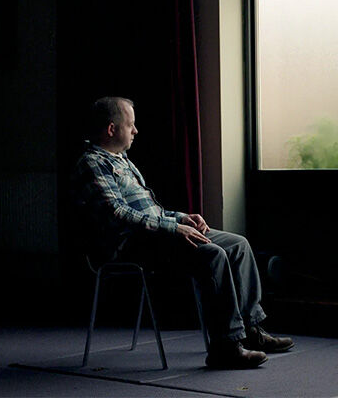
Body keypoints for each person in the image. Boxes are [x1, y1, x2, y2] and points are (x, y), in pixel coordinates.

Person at [71, 96, 293, 369]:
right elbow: (117, 212)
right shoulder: (92, 163)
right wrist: (173, 228)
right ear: (111, 129)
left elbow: (152, 211)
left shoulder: (122, 161)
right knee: (212, 255)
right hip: (129, 245)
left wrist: (181, 218)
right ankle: (226, 346)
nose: (136, 131)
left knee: (238, 245)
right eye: (131, 125)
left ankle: (252, 331)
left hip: (156, 234)